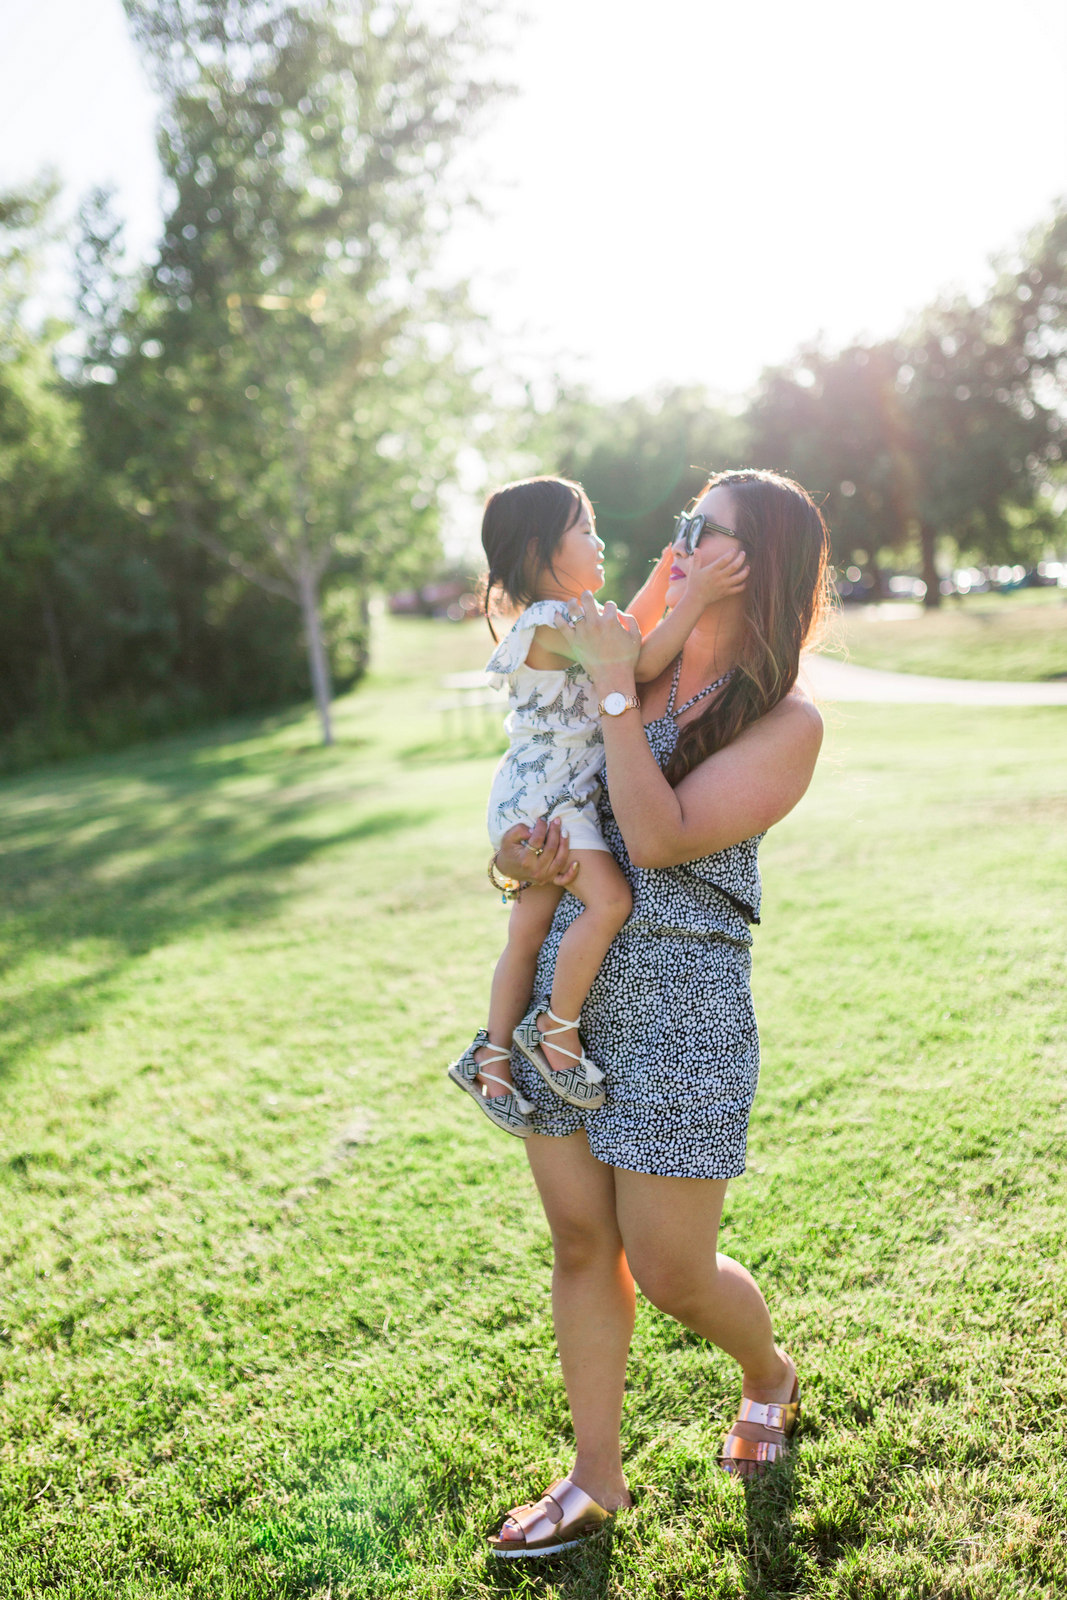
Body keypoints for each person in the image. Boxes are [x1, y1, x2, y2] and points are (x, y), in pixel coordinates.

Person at [479, 468, 832, 1558]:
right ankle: (595, 1476)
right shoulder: (633, 644)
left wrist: (619, 692)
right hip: (566, 999)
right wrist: (516, 862)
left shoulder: (784, 721)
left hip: (682, 999)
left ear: (756, 563)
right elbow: (553, 797)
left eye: (704, 533)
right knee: (582, 1240)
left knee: (672, 1268)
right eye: (681, 527)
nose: (677, 545)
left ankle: (766, 1371)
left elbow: (663, 831)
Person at [447, 475, 748, 1135]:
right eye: (583, 529)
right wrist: (694, 593)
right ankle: (555, 1032)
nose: (598, 538)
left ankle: (490, 1056)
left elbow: (627, 628)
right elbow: (635, 663)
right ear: (539, 550)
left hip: (528, 797)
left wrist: (673, 562)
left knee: (525, 935)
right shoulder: (553, 622)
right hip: (550, 804)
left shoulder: (567, 618)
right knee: (610, 902)